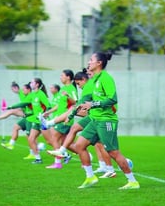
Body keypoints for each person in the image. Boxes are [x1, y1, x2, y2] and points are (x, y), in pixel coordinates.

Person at [66, 52, 139, 189]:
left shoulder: (106, 78)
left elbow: (113, 99)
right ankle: (90, 177)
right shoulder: (93, 80)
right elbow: (85, 98)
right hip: (95, 120)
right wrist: (73, 112)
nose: (89, 62)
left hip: (107, 120)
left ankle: (132, 181)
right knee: (79, 146)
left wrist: (92, 105)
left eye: (91, 60)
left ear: (99, 63)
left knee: (113, 152)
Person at [46, 69, 116, 178]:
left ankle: (116, 167)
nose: (78, 86)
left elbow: (77, 102)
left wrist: (71, 115)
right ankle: (101, 168)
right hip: (93, 116)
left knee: (107, 148)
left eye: (78, 83)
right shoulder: (90, 85)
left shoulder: (92, 84)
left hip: (101, 117)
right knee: (91, 141)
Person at [7, 78, 51, 164]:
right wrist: (11, 107)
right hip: (36, 121)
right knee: (31, 139)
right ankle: (38, 159)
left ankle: (64, 154)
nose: (30, 83)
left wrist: (46, 113)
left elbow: (48, 105)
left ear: (37, 84)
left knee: (50, 141)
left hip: (42, 121)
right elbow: (23, 103)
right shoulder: (32, 94)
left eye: (32, 82)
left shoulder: (41, 94)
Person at [43, 69, 78, 169]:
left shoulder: (71, 88)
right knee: (66, 143)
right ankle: (85, 154)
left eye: (62, 75)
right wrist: (48, 112)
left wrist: (68, 96)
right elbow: (59, 105)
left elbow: (76, 102)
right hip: (59, 118)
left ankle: (58, 163)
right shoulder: (63, 88)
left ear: (68, 77)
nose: (60, 77)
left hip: (65, 119)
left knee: (54, 138)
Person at [1, 83, 33, 150]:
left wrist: (11, 107)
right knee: (16, 127)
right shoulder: (23, 94)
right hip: (27, 116)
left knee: (30, 137)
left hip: (31, 117)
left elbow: (22, 104)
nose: (22, 90)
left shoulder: (29, 95)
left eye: (23, 89)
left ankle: (37, 151)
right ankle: (11, 144)